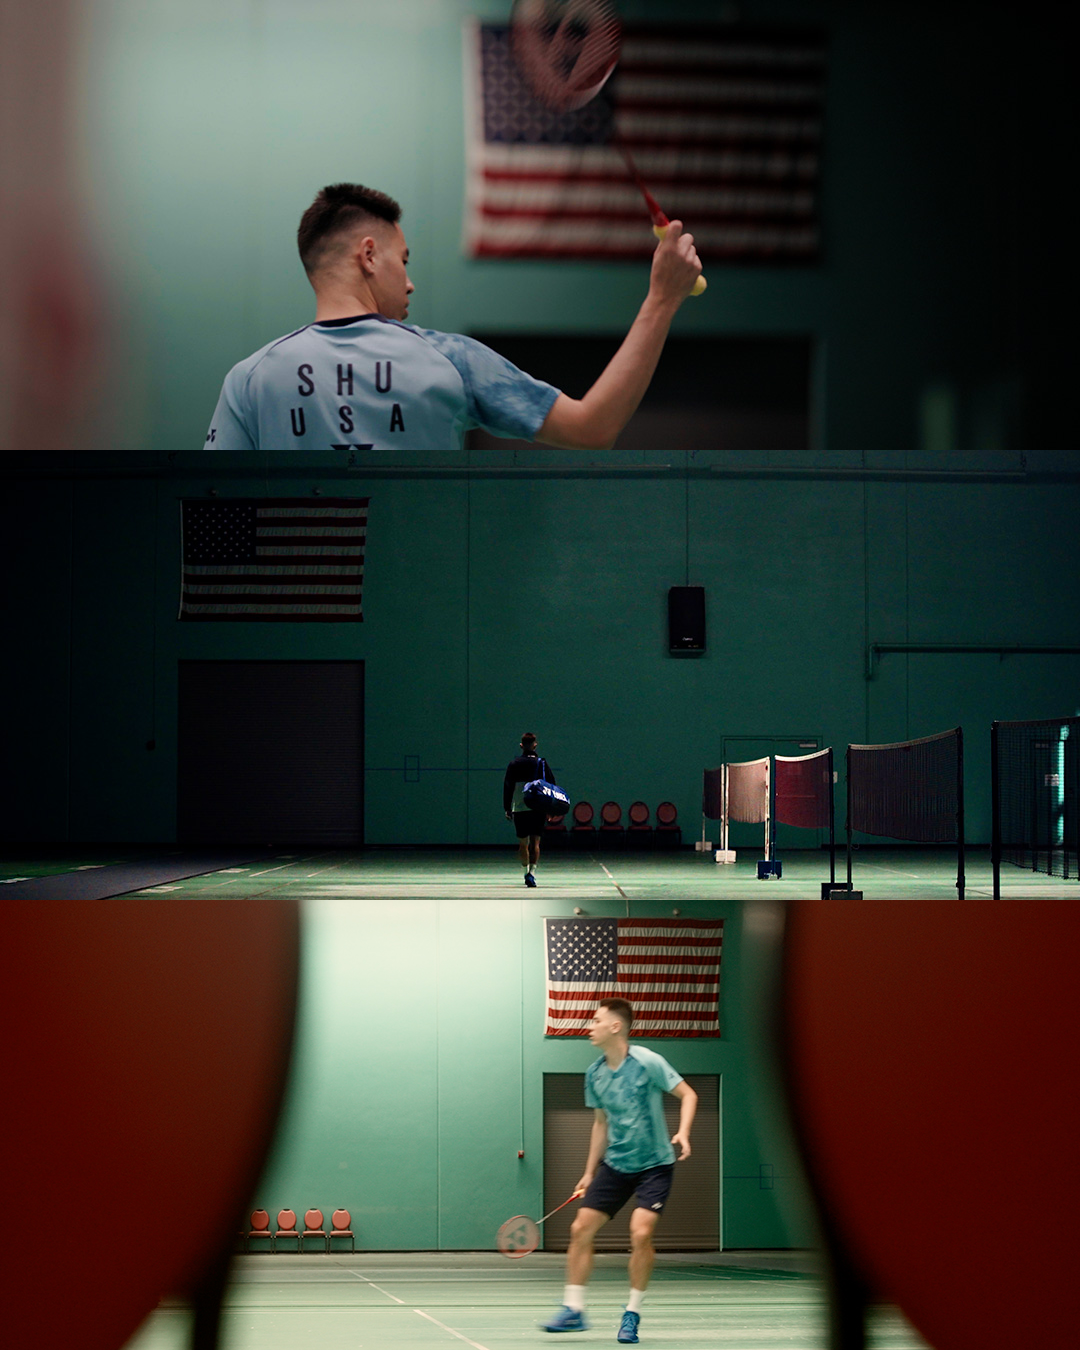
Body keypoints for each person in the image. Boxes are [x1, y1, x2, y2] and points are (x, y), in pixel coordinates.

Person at [203, 182, 702, 451]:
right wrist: (661, 300)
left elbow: (211, 508)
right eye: (405, 260)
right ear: (369, 254)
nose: (411, 281)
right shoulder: (450, 360)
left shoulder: (250, 379)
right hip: (427, 623)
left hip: (299, 624)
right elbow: (592, 429)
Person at [542, 999, 697, 1344]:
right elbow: (600, 1124)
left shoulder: (648, 1062)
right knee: (580, 1227)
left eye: (596, 1020)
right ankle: (573, 1309)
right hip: (615, 1164)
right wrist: (588, 1172)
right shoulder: (594, 1073)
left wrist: (683, 1132)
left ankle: (632, 1313)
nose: (589, 1026)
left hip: (655, 1164)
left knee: (640, 1234)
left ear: (616, 1027)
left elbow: (688, 1094)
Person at [503, 732, 554, 887]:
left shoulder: (513, 764)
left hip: (519, 807)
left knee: (523, 843)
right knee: (535, 842)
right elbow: (551, 786)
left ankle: (525, 873)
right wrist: (550, 808)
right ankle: (532, 873)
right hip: (538, 808)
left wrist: (507, 808)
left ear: (521, 745)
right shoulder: (541, 764)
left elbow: (508, 787)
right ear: (535, 744)